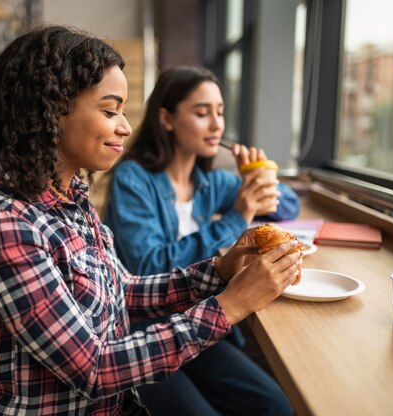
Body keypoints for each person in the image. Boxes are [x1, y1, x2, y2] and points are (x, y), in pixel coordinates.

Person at [0, 25, 301, 416]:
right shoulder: (5, 223)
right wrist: (230, 304)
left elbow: (121, 293)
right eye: (110, 111)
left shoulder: (71, 201)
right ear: (51, 111)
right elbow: (92, 368)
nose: (124, 126)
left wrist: (220, 270)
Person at [104, 66, 300, 415]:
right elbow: (146, 266)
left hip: (199, 322)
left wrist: (255, 175)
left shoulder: (210, 182)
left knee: (276, 407)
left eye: (220, 112)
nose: (216, 125)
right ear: (166, 119)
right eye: (202, 112)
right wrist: (238, 216)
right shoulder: (132, 178)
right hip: (143, 330)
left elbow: (288, 203)